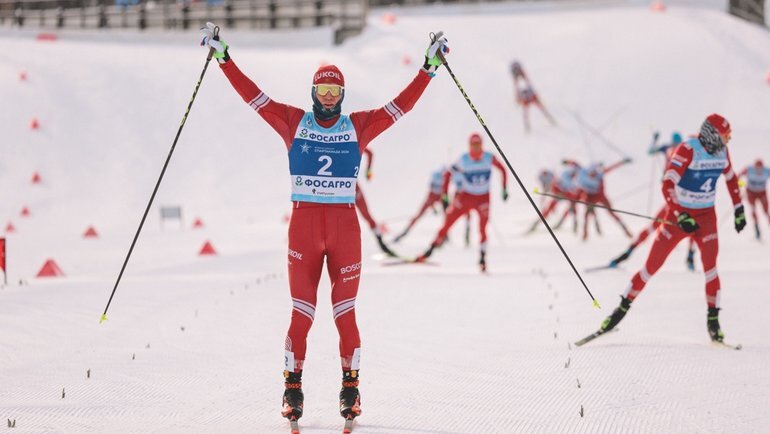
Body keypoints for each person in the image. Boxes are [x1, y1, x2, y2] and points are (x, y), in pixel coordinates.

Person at [200, 23, 449, 426]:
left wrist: (428, 68)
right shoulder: (292, 121)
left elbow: (400, 107)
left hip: (345, 231)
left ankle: (350, 390)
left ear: (342, 96)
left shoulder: (358, 126)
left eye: (335, 92)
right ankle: (292, 389)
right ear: (313, 93)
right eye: (322, 91)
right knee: (302, 314)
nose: (328, 98)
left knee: (345, 315)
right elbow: (253, 97)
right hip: (304, 229)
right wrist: (225, 60)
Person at [597, 114, 745, 343]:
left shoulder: (723, 153)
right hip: (679, 216)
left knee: (710, 268)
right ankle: (619, 311)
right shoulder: (688, 149)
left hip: (706, 217)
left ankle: (713, 322)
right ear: (712, 135)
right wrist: (680, 213)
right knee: (650, 267)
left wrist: (739, 209)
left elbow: (732, 179)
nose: (727, 141)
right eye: (725, 136)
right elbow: (667, 184)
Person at [416, 133, 508, 271]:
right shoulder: (464, 159)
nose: (476, 149)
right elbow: (447, 174)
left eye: (478, 145)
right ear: (469, 146)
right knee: (447, 223)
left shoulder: (489, 157)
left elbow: (503, 169)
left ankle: (482, 259)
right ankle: (429, 251)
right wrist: (445, 194)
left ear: (482, 145)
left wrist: (504, 188)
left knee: (483, 228)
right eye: (473, 145)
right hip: (466, 197)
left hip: (483, 198)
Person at [573, 159, 633, 240]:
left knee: (611, 212)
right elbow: (576, 164)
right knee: (586, 215)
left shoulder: (600, 175)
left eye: (593, 173)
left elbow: (611, 168)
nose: (592, 175)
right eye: (590, 173)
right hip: (590, 198)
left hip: (600, 197)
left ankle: (625, 230)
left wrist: (622, 162)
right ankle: (585, 233)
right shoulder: (584, 175)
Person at [354, 149, 398, 256]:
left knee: (367, 216)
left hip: (350, 188)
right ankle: (382, 245)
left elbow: (370, 153)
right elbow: (370, 153)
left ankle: (382, 245)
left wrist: (368, 170)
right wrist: (368, 171)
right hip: (346, 188)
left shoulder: (351, 138)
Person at [393, 165, 450, 243]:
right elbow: (432, 189)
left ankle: (445, 235)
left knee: (447, 215)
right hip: (433, 195)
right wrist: (434, 208)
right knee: (419, 214)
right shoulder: (436, 174)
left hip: (441, 196)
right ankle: (405, 232)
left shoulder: (447, 175)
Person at [510, 60, 556, 133]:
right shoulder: (518, 80)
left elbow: (527, 84)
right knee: (528, 112)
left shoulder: (522, 77)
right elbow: (518, 88)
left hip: (529, 95)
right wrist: (518, 98)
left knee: (539, 108)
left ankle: (549, 119)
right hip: (526, 96)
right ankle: (527, 127)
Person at [738, 159, 770, 240]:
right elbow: (738, 177)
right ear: (754, 167)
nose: (759, 170)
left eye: (760, 168)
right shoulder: (749, 169)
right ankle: (757, 230)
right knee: (753, 210)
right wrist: (741, 187)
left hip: (762, 193)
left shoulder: (767, 171)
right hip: (751, 193)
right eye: (757, 168)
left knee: (766, 211)